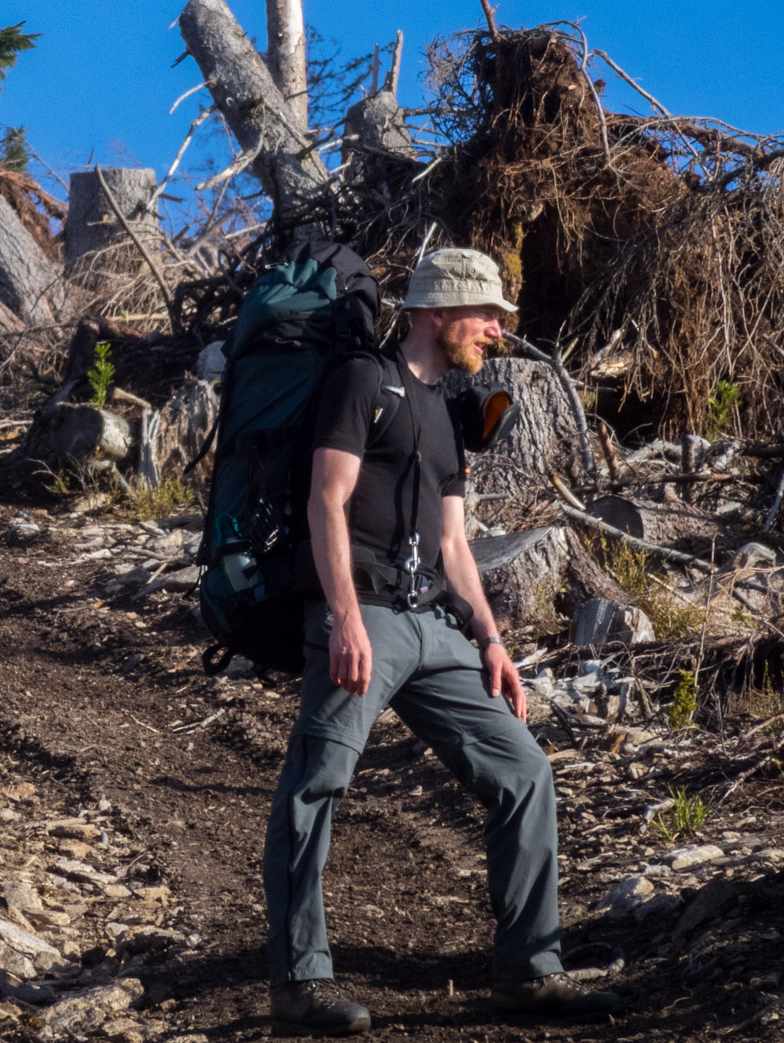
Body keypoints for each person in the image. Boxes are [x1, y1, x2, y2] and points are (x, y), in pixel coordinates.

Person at [262, 248, 621, 1034]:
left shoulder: (449, 405)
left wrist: (492, 640)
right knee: (318, 781)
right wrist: (346, 617)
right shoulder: (362, 379)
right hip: (365, 616)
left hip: (434, 624)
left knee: (524, 770)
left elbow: (457, 544)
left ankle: (529, 971)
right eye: (486, 314)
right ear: (437, 311)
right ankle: (298, 980)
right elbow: (329, 502)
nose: (497, 330)